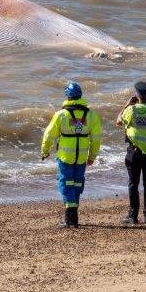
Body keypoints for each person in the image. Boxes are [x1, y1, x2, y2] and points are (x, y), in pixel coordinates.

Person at [41, 81, 102, 228]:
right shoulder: (92, 115)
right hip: (81, 157)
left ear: (67, 96)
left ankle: (71, 220)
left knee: (66, 184)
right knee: (77, 184)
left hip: (65, 157)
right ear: (80, 96)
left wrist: (45, 150)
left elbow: (49, 135)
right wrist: (92, 156)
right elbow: (96, 139)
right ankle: (73, 217)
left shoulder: (60, 115)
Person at [115, 81, 146, 225]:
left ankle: (133, 216)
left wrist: (127, 105)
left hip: (134, 153)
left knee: (133, 184)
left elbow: (118, 122)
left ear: (137, 94)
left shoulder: (131, 110)